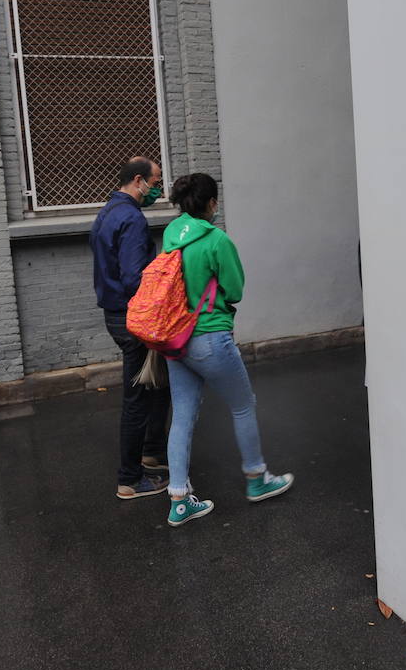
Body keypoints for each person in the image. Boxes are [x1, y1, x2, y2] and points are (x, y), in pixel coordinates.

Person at [160, 173, 292, 527]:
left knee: (183, 417)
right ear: (212, 203)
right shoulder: (217, 240)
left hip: (175, 341)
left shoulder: (171, 236)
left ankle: (178, 499)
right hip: (209, 337)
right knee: (242, 405)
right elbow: (234, 291)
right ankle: (256, 479)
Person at [89, 157, 171, 499]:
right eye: (155, 181)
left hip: (115, 313)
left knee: (156, 384)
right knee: (139, 395)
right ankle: (130, 479)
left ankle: (151, 451)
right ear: (138, 180)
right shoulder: (132, 219)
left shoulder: (107, 212)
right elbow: (135, 277)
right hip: (132, 317)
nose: (157, 189)